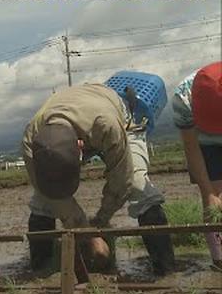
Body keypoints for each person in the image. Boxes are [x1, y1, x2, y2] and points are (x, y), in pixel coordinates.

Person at [22, 79, 175, 276]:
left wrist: (102, 220)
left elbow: (122, 180)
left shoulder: (107, 125)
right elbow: (47, 191)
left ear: (80, 148)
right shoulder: (30, 140)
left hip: (119, 120)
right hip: (74, 118)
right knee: (42, 201)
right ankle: (42, 272)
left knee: (138, 186)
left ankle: (166, 272)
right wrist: (88, 233)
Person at [172, 61, 222, 270]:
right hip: (204, 141)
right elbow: (192, 149)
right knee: (213, 198)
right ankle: (219, 259)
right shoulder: (183, 97)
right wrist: (209, 191)